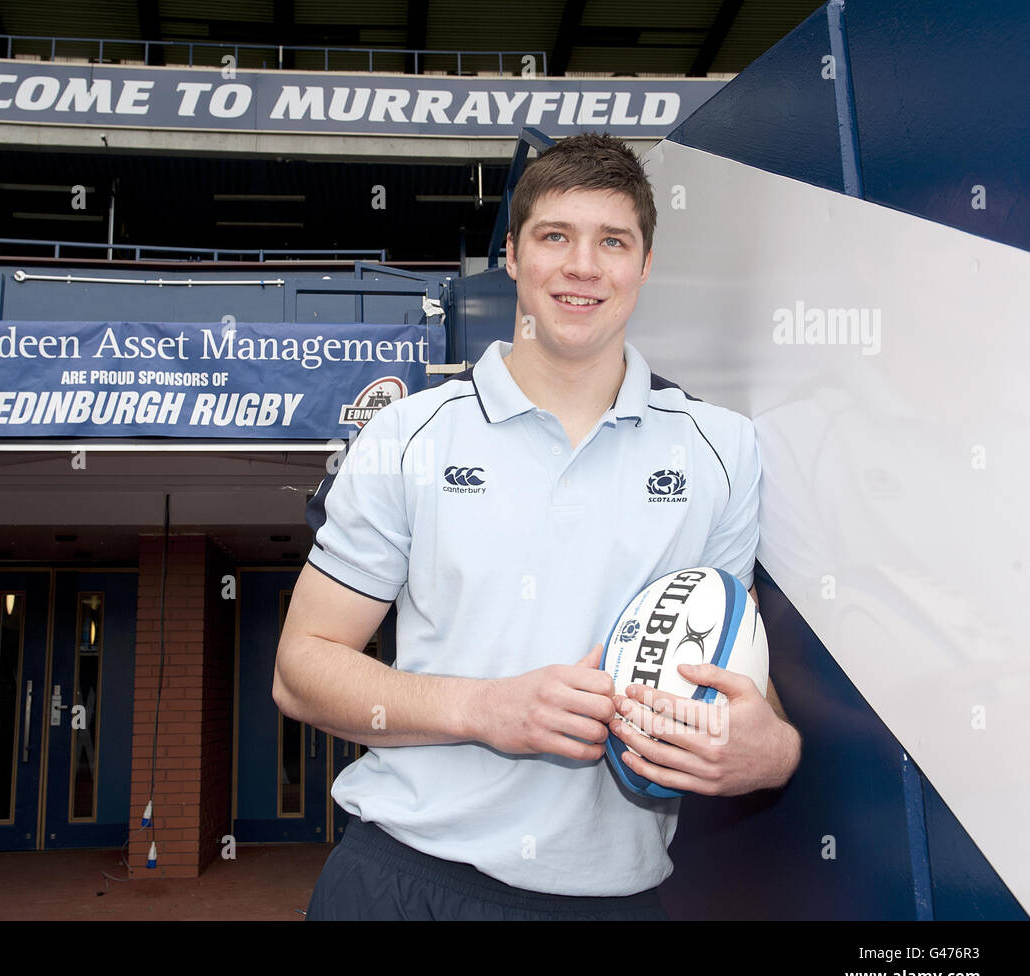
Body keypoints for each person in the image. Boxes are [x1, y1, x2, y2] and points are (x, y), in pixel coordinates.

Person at [273, 132, 801, 921]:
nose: (583, 266)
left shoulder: (722, 449)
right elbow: (301, 669)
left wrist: (777, 749)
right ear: (513, 255)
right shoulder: (410, 435)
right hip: (407, 877)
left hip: (611, 899)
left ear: (645, 263)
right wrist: (485, 709)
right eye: (556, 236)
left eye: (612, 241)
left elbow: (734, 655)